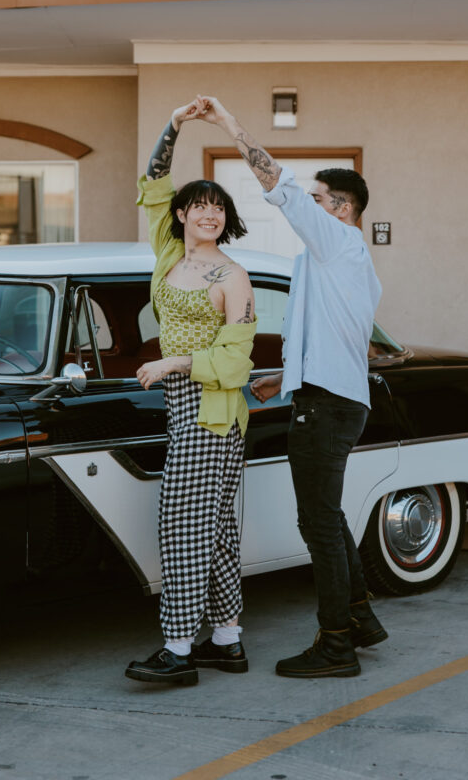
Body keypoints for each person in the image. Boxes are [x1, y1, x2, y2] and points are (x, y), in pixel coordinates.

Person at [197, 95, 387, 679]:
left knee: (319, 524)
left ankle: (336, 647)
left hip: (327, 409)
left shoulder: (335, 242)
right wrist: (284, 378)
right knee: (327, 516)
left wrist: (228, 124)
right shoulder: (342, 262)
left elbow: (276, 180)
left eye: (320, 200)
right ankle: (359, 618)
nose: (309, 206)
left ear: (344, 209)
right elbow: (341, 342)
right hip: (332, 396)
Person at [125, 100, 257, 687]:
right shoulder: (169, 255)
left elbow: (235, 361)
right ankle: (226, 642)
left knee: (182, 524)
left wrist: (171, 361)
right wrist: (176, 123)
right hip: (184, 408)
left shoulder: (234, 277)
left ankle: (178, 649)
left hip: (213, 412)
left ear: (227, 219)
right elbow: (154, 179)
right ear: (180, 215)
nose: (209, 213)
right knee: (217, 527)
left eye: (218, 207)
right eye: (199, 205)